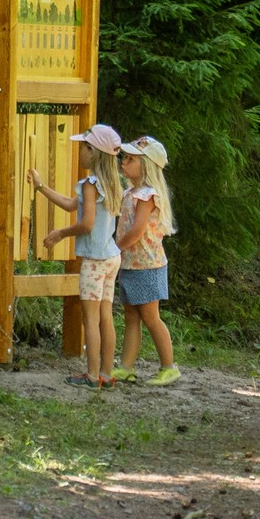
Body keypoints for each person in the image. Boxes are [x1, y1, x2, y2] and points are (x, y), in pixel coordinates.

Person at [29, 124, 124, 387]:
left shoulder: (91, 184)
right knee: (105, 316)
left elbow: (87, 224)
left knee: (90, 319)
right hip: (111, 257)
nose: (79, 151)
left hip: (94, 261)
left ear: (93, 152)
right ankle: (106, 374)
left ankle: (92, 376)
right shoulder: (111, 184)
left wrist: (61, 233)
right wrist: (41, 186)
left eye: (83, 146)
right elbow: (72, 205)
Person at [113, 136, 179, 386]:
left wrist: (114, 248)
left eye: (131, 159)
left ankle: (169, 367)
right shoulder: (130, 192)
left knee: (151, 317)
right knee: (131, 316)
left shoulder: (147, 195)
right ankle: (126, 367)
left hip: (147, 266)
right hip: (131, 264)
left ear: (147, 166)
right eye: (125, 157)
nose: (124, 162)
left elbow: (137, 230)